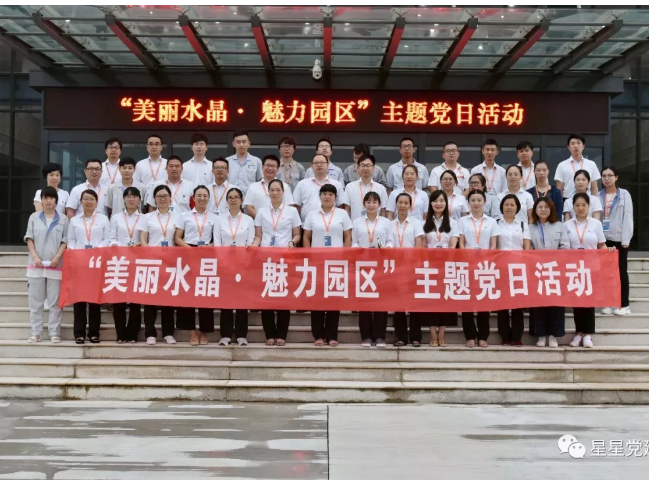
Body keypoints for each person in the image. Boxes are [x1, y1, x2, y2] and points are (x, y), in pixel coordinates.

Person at [253, 179, 301, 345]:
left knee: (283, 296)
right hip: (266, 259)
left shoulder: (291, 211)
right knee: (267, 296)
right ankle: (269, 334)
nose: (275, 193)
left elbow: (297, 234)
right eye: (272, 190)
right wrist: (252, 247)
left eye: (278, 190)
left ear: (283, 192)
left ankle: (281, 334)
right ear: (268, 192)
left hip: (285, 259)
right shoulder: (261, 212)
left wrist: (292, 242)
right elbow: (258, 236)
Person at [303, 184, 352, 347]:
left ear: (335, 197)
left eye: (330, 194)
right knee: (317, 299)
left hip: (336, 262)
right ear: (320, 196)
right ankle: (318, 334)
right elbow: (306, 236)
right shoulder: (312, 214)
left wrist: (346, 256)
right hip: (317, 262)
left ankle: (332, 335)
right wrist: (308, 256)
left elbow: (347, 236)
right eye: (324, 193)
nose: (327, 196)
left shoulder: (342, 214)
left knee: (333, 299)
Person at [564, 193, 613, 348]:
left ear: (589, 206)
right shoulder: (566, 225)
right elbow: (563, 247)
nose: (580, 208)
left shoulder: (596, 224)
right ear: (573, 207)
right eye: (577, 205)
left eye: (583, 205)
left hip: (592, 268)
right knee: (577, 301)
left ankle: (588, 334)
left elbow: (602, 245)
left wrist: (609, 251)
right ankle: (579, 333)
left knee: (589, 301)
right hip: (573, 268)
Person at [138, 185, 182, 345]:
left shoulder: (178, 217)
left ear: (170, 198)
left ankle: (168, 333)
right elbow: (143, 239)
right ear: (154, 199)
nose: (162, 198)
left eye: (165, 196)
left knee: (168, 299)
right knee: (150, 299)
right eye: (159, 196)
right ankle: (150, 333)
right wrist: (150, 254)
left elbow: (178, 238)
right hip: (152, 262)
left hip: (170, 262)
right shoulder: (147, 217)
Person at [175, 185, 218, 346]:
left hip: (207, 256)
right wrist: (191, 250)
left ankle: (204, 332)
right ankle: (191, 331)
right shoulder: (184, 216)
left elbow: (217, 238)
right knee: (187, 293)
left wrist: (209, 246)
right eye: (199, 195)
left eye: (205, 195)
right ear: (193, 198)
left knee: (205, 293)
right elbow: (178, 238)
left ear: (208, 198)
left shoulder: (214, 217)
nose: (202, 198)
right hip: (188, 253)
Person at [25, 186, 69, 343]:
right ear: (41, 200)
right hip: (35, 266)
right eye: (46, 198)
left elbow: (65, 240)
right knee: (35, 301)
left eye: (52, 198)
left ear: (56, 200)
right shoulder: (34, 217)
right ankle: (36, 332)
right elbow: (29, 238)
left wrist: (57, 257)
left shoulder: (63, 219)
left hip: (55, 265)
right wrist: (35, 256)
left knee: (55, 302)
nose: (49, 200)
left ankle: (54, 333)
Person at [352, 191, 395, 347]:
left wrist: (386, 248)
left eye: (374, 202)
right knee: (364, 301)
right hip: (363, 265)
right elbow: (354, 242)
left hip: (380, 266)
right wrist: (358, 249)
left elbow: (391, 241)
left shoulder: (386, 222)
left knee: (381, 302)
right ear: (364, 204)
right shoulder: (357, 222)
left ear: (379, 205)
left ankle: (379, 337)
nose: (371, 205)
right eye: (368, 202)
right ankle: (366, 337)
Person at [459, 189, 500, 348]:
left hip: (485, 265)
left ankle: (483, 336)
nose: (476, 203)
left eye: (479, 200)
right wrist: (467, 258)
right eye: (473, 200)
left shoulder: (492, 222)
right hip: (468, 264)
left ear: (485, 202)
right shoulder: (463, 221)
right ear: (468, 203)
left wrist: (486, 259)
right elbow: (461, 243)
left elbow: (493, 244)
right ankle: (469, 335)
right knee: (467, 301)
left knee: (484, 301)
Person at [68, 189, 110, 344]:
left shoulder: (103, 219)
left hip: (96, 263)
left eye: (92, 199)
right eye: (85, 199)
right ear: (80, 202)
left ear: (96, 202)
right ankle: (79, 333)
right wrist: (75, 252)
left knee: (94, 300)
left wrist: (98, 249)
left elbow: (107, 239)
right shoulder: (74, 220)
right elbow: (71, 240)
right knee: (79, 299)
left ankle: (93, 333)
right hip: (79, 264)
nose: (88, 202)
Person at [213, 187, 255, 346]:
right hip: (225, 265)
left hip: (243, 265)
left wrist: (244, 262)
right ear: (226, 201)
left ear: (241, 200)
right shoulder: (220, 220)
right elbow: (217, 243)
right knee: (226, 300)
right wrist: (223, 263)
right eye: (230, 197)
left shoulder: (248, 220)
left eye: (236, 197)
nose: (233, 200)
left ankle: (241, 334)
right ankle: (225, 334)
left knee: (242, 300)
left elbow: (250, 242)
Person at [528, 197, 569, 348]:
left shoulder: (560, 226)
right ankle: (540, 335)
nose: (543, 210)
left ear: (551, 209)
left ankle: (553, 335)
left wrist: (552, 258)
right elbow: (527, 248)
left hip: (555, 271)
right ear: (535, 210)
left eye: (546, 207)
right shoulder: (530, 227)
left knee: (555, 304)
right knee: (538, 304)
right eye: (540, 207)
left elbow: (565, 247)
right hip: (537, 270)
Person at [421, 190, 460, 347]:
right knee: (430, 300)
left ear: (446, 203)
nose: (438, 204)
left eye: (442, 201)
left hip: (447, 266)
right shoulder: (423, 223)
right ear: (430, 203)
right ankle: (432, 333)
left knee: (446, 300)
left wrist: (445, 264)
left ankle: (442, 332)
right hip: (429, 267)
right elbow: (422, 245)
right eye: (435, 201)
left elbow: (453, 244)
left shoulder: (454, 223)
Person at [390, 192, 426, 347]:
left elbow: (419, 243)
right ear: (396, 205)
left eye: (406, 203)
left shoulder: (415, 223)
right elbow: (386, 241)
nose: (403, 206)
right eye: (400, 203)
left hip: (412, 267)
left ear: (410, 206)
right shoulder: (390, 224)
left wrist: (411, 261)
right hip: (396, 267)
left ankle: (416, 337)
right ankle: (401, 337)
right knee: (398, 304)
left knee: (414, 303)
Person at [108, 186, 143, 343]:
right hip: (120, 262)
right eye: (128, 196)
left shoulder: (144, 218)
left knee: (135, 300)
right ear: (123, 199)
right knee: (119, 300)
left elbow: (146, 239)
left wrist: (139, 246)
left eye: (134, 196)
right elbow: (111, 238)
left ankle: (133, 334)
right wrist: (117, 246)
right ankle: (121, 334)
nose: (131, 199)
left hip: (137, 261)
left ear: (139, 199)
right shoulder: (116, 218)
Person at [496, 194, 531, 347]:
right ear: (501, 207)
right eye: (506, 204)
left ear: (517, 207)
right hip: (501, 268)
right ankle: (504, 336)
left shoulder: (523, 224)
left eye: (512, 205)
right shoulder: (496, 223)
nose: (509, 207)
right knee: (502, 304)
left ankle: (517, 336)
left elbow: (527, 246)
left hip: (518, 268)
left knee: (518, 304)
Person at [599, 166, 634, 316]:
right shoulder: (598, 195)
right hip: (603, 239)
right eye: (604, 176)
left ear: (616, 177)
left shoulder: (624, 194)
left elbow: (628, 217)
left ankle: (624, 305)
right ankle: (608, 303)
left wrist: (626, 239)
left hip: (619, 239)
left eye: (610, 175)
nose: (607, 178)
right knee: (606, 273)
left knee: (621, 272)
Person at [293, 154, 349, 223]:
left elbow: (341, 206)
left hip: (331, 224)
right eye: (316, 163)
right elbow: (297, 206)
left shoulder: (336, 184)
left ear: (327, 165)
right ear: (311, 166)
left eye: (322, 162)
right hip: (307, 225)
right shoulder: (302, 184)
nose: (319, 165)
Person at [244, 154, 294, 220]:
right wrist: (262, 220)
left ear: (278, 169)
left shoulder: (285, 186)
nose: (270, 168)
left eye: (273, 166)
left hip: (280, 224)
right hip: (258, 224)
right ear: (262, 167)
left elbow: (288, 206)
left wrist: (276, 221)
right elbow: (248, 207)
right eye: (267, 165)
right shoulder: (253, 187)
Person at [555, 133, 600, 199]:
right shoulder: (562, 165)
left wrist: (594, 202)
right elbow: (559, 189)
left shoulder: (591, 164)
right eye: (573, 143)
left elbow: (594, 188)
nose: (576, 146)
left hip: (587, 201)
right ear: (568, 147)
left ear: (583, 146)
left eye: (578, 143)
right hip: (568, 200)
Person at [344, 154, 388, 220]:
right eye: (362, 165)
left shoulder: (381, 188)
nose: (365, 168)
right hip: (355, 225)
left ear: (373, 168)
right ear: (358, 168)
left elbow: (383, 211)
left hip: (376, 225)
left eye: (368, 165)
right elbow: (347, 209)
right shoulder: (349, 187)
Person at [226, 130, 262, 196]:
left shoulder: (257, 161)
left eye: (244, 142)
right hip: (232, 199)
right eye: (238, 142)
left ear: (248, 143)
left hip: (251, 199)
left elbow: (260, 182)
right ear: (233, 144)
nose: (241, 145)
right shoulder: (227, 161)